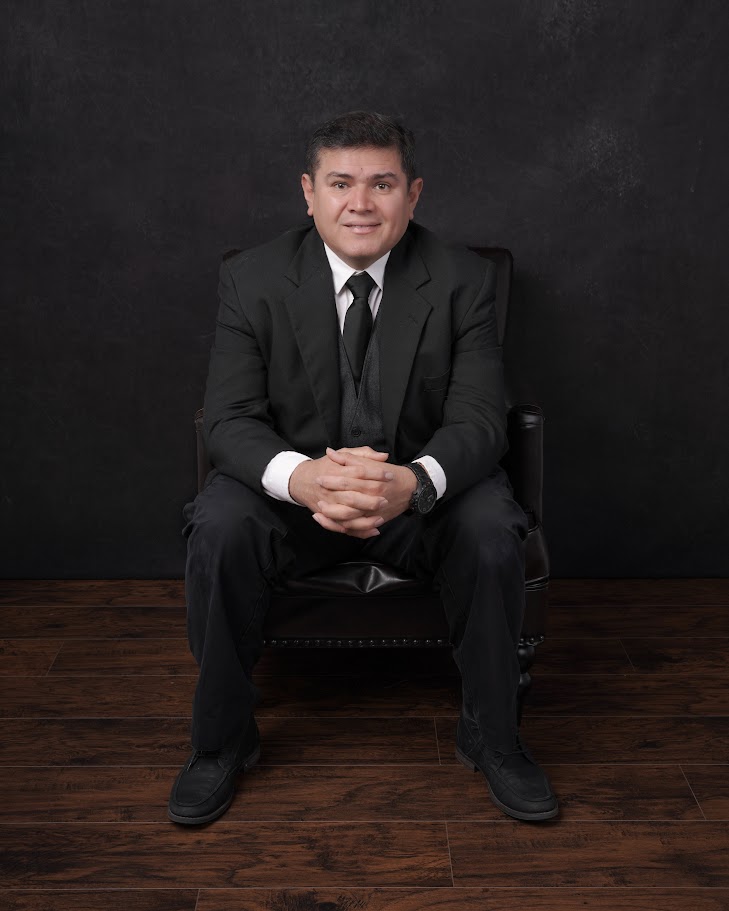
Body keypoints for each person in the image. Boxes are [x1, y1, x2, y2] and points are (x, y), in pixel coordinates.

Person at [168, 111, 558, 826]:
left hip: (418, 500)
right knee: (220, 523)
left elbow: (478, 419)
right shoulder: (251, 278)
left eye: (381, 184)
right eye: (340, 183)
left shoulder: (463, 279)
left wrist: (413, 483)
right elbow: (229, 417)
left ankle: (493, 736)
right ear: (308, 193)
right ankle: (221, 740)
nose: (360, 204)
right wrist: (303, 479)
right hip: (297, 502)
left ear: (413, 194)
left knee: (488, 525)